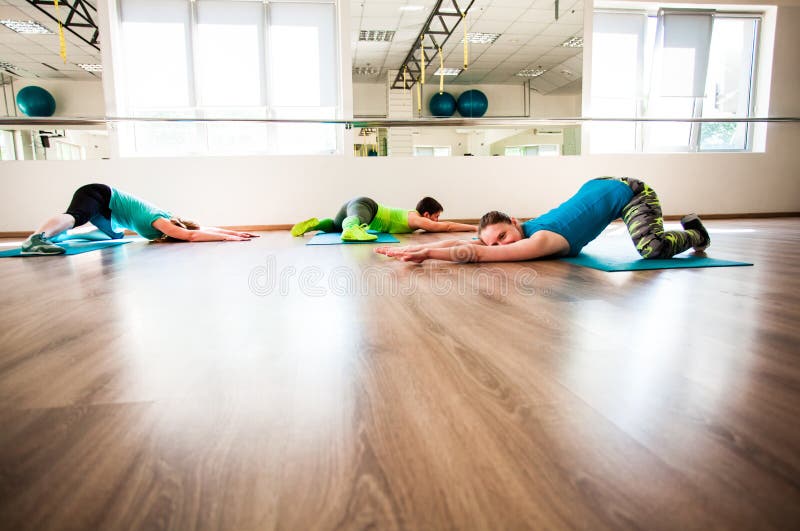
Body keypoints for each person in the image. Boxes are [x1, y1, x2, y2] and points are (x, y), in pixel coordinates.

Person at [375, 177, 710, 263]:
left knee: (651, 248)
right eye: (496, 242)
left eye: (504, 237)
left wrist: (427, 253)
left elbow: (479, 254)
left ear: (515, 222)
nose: (503, 246)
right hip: (598, 187)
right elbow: (473, 244)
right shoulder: (524, 231)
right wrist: (412, 249)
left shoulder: (539, 239)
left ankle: (695, 234)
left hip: (631, 191)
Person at [20, 183, 259, 255]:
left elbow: (200, 227)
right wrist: (230, 240)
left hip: (108, 212)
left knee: (115, 234)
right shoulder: (160, 221)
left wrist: (234, 233)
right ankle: (36, 238)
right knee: (77, 217)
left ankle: (59, 234)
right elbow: (192, 235)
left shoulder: (168, 220)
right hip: (100, 194)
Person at [290, 196, 477, 242]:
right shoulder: (416, 219)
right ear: (426, 214)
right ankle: (351, 230)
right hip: (367, 205)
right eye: (436, 217)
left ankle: (312, 225)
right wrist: (475, 228)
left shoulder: (412, 216)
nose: (437, 221)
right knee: (354, 221)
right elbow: (448, 227)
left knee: (333, 225)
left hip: (355, 204)